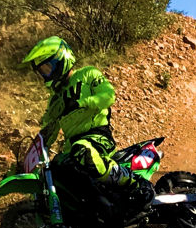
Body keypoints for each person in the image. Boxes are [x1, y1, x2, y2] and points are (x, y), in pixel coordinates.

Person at [21, 35, 134, 190]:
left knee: (82, 151)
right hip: (71, 148)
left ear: (60, 60)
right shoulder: (55, 99)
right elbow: (48, 131)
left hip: (97, 137)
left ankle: (130, 179)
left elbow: (108, 96)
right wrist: (26, 161)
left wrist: (81, 103)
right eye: (42, 71)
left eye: (47, 68)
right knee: (54, 170)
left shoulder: (88, 74)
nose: (45, 74)